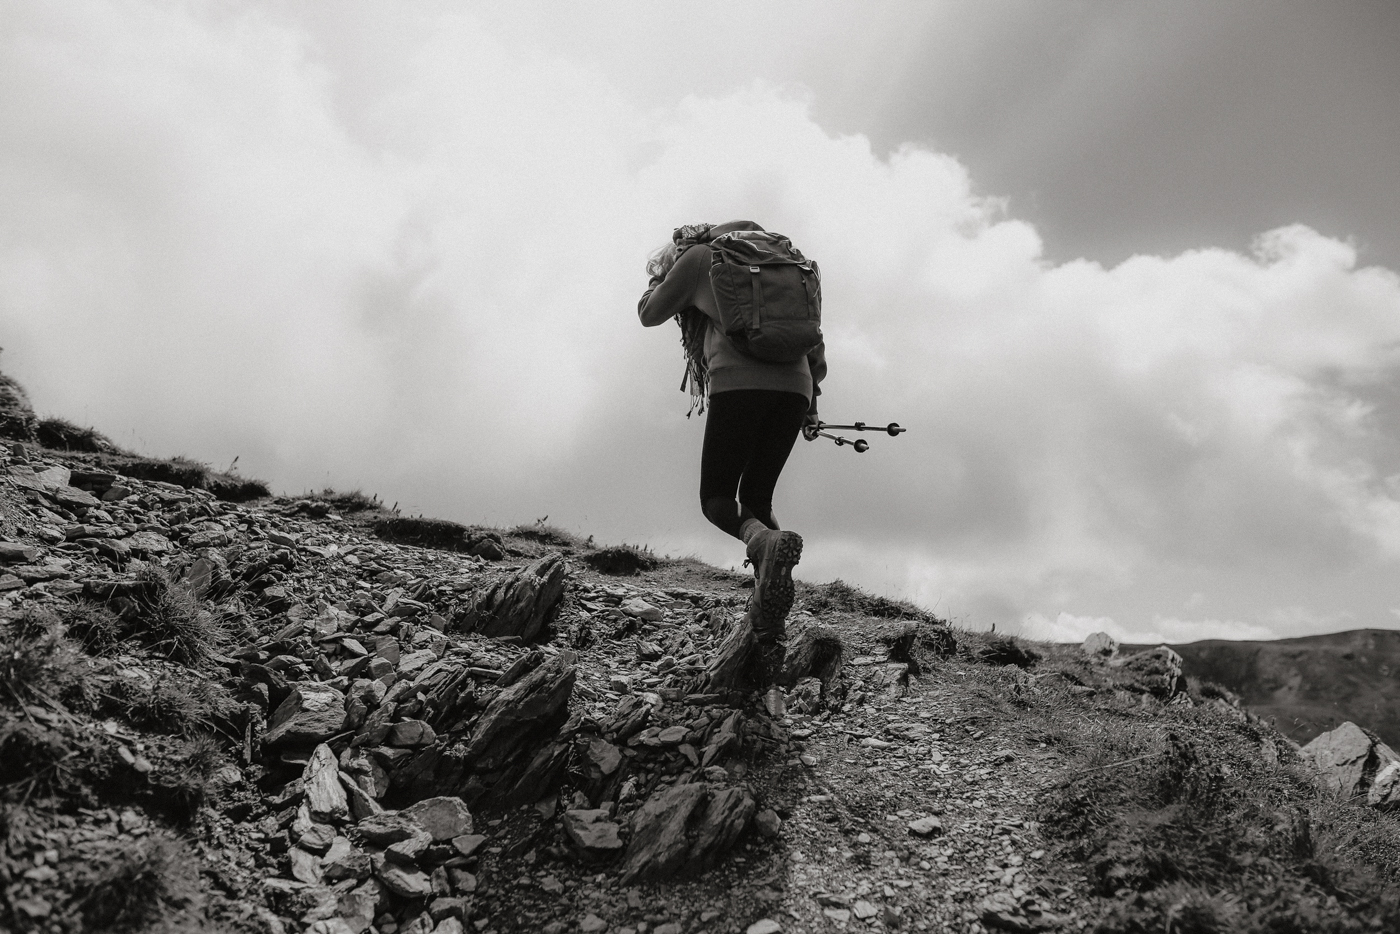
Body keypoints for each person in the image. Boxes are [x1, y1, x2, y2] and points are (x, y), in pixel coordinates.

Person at [637, 221, 827, 713]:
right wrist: (811, 404)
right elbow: (814, 341)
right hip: (796, 388)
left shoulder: (701, 259)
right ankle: (772, 608)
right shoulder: (792, 264)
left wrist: (662, 279)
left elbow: (648, 315)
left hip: (737, 382)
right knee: (758, 499)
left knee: (717, 500)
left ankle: (763, 546)